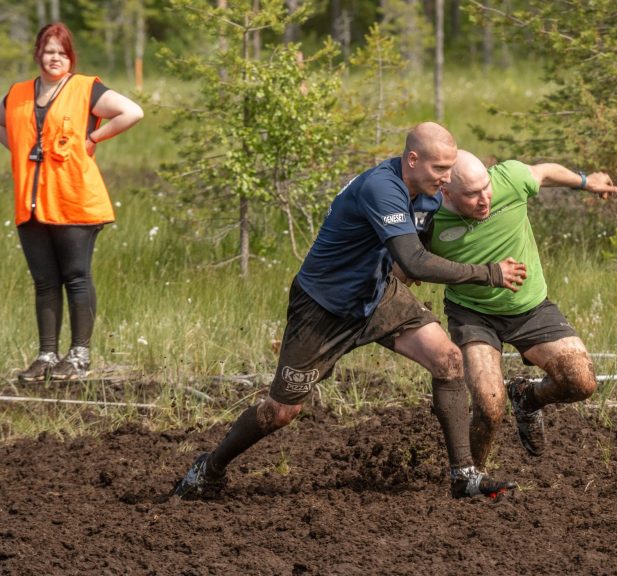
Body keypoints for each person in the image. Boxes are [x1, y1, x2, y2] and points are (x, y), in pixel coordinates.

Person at [174, 123, 525, 501]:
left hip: (376, 295)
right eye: (440, 169)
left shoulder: (428, 192)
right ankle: (207, 470)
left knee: (448, 360)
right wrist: (489, 273)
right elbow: (416, 260)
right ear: (412, 159)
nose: (446, 178)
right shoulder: (381, 188)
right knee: (281, 412)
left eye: (450, 168)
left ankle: (464, 475)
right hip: (323, 308)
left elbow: (419, 238)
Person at [430, 150, 617, 470]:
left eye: (485, 188)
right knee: (490, 408)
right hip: (473, 314)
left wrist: (587, 181)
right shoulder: (426, 216)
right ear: (445, 191)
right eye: (471, 195)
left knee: (580, 382)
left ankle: (526, 398)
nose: (483, 200)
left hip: (530, 307)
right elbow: (406, 259)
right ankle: (468, 479)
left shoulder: (511, 179)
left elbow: (545, 171)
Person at [1, 23, 144, 382]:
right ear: (38, 53)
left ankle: (79, 356)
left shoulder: (86, 88)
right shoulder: (18, 93)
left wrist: (92, 138)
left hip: (75, 200)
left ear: (70, 57)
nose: (55, 58)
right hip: (31, 203)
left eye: (62, 53)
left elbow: (132, 111)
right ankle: (47, 355)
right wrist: (19, 148)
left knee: (76, 277)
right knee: (45, 281)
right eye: (49, 51)